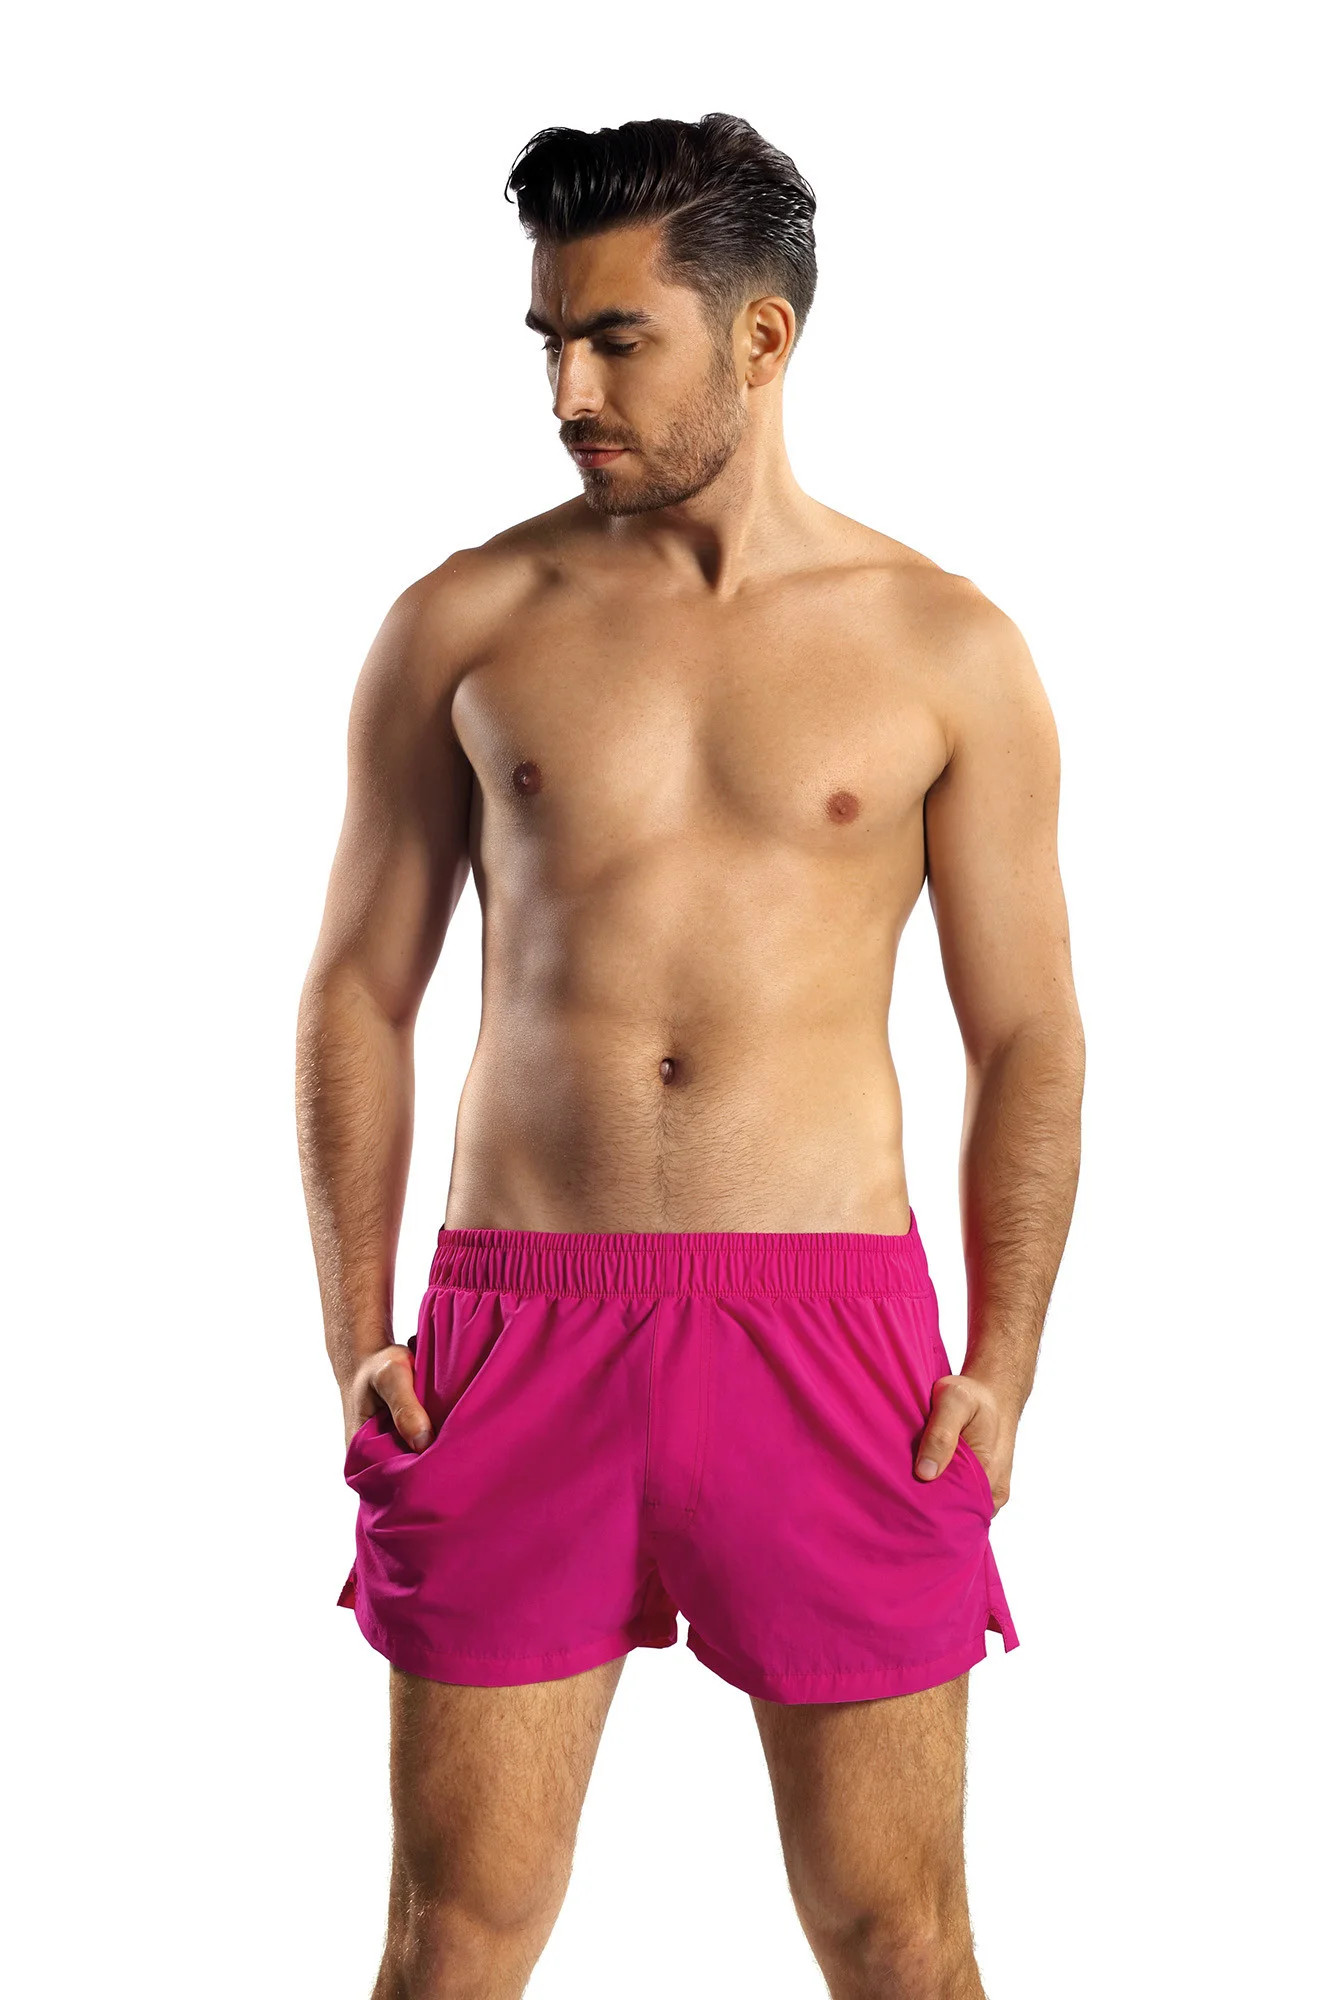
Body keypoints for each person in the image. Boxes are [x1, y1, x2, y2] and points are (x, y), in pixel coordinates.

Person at [295, 111, 1084, 2000]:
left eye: (615, 339)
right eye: (548, 341)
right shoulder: (463, 623)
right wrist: (353, 1328)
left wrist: (1002, 1363)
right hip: (514, 1329)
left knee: (898, 1934)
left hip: (832, 1335)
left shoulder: (945, 648)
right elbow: (356, 994)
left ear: (761, 336)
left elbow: (1026, 1030)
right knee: (455, 1934)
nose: (568, 390)